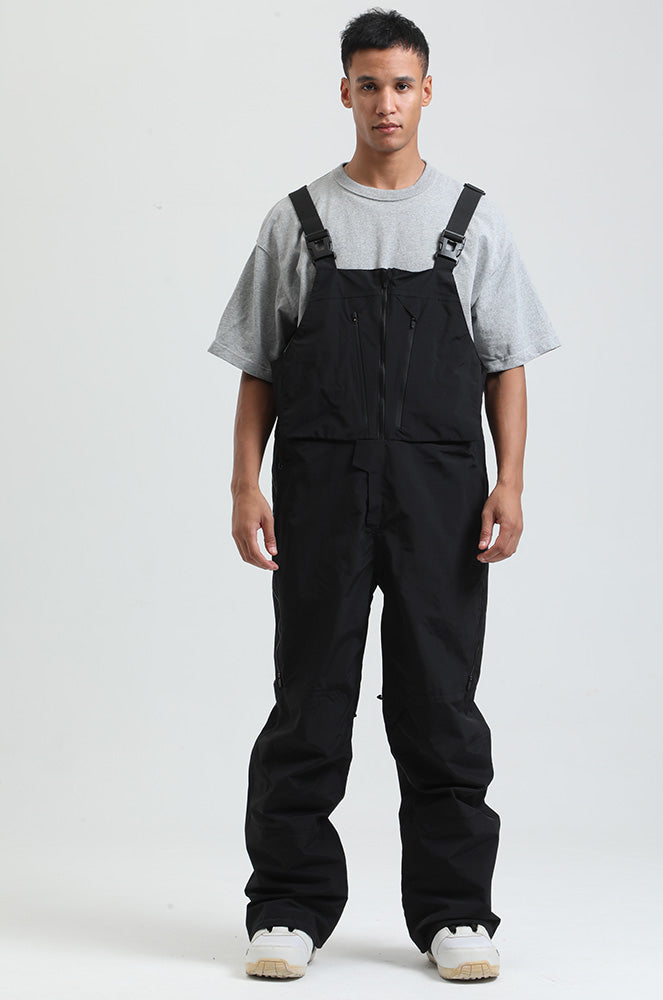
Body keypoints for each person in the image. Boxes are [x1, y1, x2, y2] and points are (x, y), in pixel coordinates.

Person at [207, 7, 561, 982]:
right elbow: (259, 365)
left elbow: (506, 364)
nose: (386, 102)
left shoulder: (473, 220)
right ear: (345, 92)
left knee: (439, 700)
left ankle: (457, 916)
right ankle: (287, 909)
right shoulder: (297, 220)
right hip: (318, 492)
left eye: (402, 84)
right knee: (308, 699)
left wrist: (511, 483)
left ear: (427, 91)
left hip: (441, 495)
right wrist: (244, 485)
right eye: (369, 84)